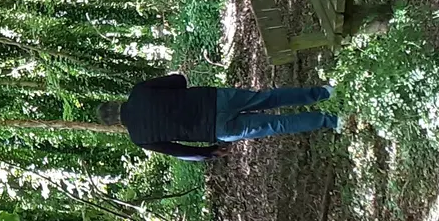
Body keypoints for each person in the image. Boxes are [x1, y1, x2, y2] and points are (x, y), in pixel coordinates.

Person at [101, 75, 337, 161]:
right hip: (215, 99)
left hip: (216, 128)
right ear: (115, 102)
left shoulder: (140, 138)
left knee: (276, 124)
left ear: (115, 123)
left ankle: (331, 120)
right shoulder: (139, 91)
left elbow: (178, 151)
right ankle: (324, 93)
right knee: (268, 98)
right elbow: (179, 80)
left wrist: (210, 152)